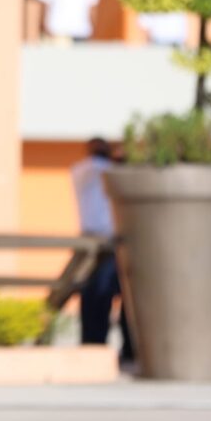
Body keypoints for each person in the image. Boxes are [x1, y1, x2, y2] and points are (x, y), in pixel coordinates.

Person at [72, 137, 133, 362]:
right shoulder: (103, 170)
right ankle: (123, 348)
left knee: (93, 298)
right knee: (119, 295)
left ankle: (92, 344)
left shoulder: (79, 171)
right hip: (109, 243)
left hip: (89, 243)